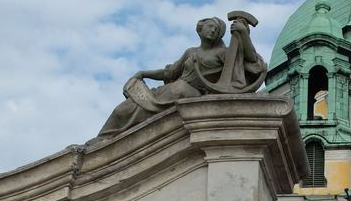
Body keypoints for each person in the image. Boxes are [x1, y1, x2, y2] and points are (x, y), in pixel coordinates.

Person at [98, 16, 267, 135]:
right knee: (123, 109)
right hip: (169, 90)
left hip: (188, 94)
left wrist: (243, 34)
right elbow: (169, 72)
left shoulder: (224, 53)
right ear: (200, 30)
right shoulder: (191, 52)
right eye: (210, 26)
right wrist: (143, 73)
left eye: (217, 29)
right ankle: (104, 139)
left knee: (145, 109)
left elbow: (250, 61)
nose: (213, 29)